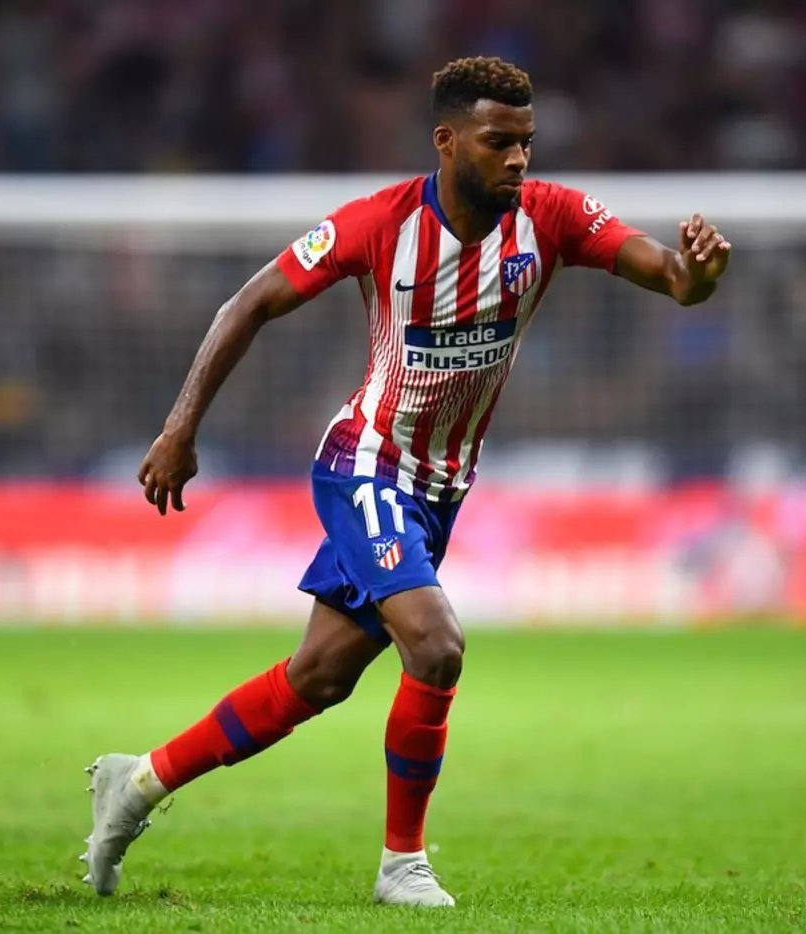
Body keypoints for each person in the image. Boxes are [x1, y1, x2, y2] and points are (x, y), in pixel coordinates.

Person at [84, 56, 731, 908]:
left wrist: (696, 277)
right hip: (366, 464)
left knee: (318, 677)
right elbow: (247, 304)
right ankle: (403, 866)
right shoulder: (378, 224)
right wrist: (179, 428)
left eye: (527, 142)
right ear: (447, 140)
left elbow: (672, 278)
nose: (517, 159)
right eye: (498, 141)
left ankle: (136, 784)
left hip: (440, 492)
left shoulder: (554, 217)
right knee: (437, 643)